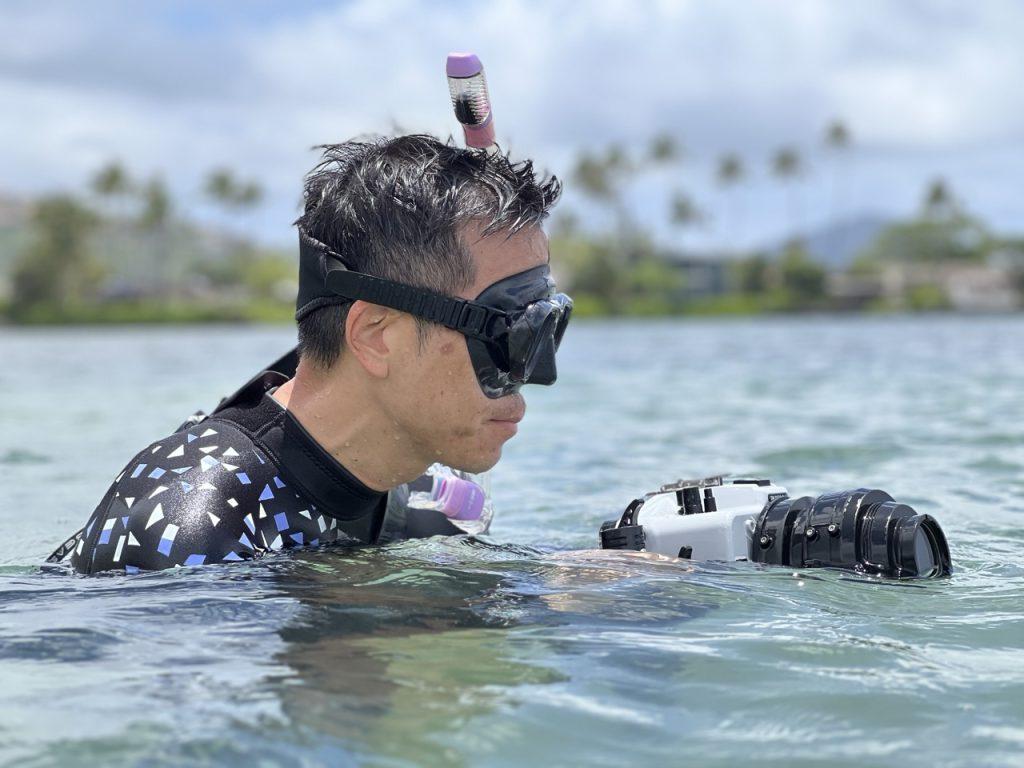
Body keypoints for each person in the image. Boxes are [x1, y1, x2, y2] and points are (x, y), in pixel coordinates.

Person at [50, 135, 571, 574]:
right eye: (512, 334)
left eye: (549, 325)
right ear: (375, 336)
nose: (538, 373)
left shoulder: (417, 480)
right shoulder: (189, 531)